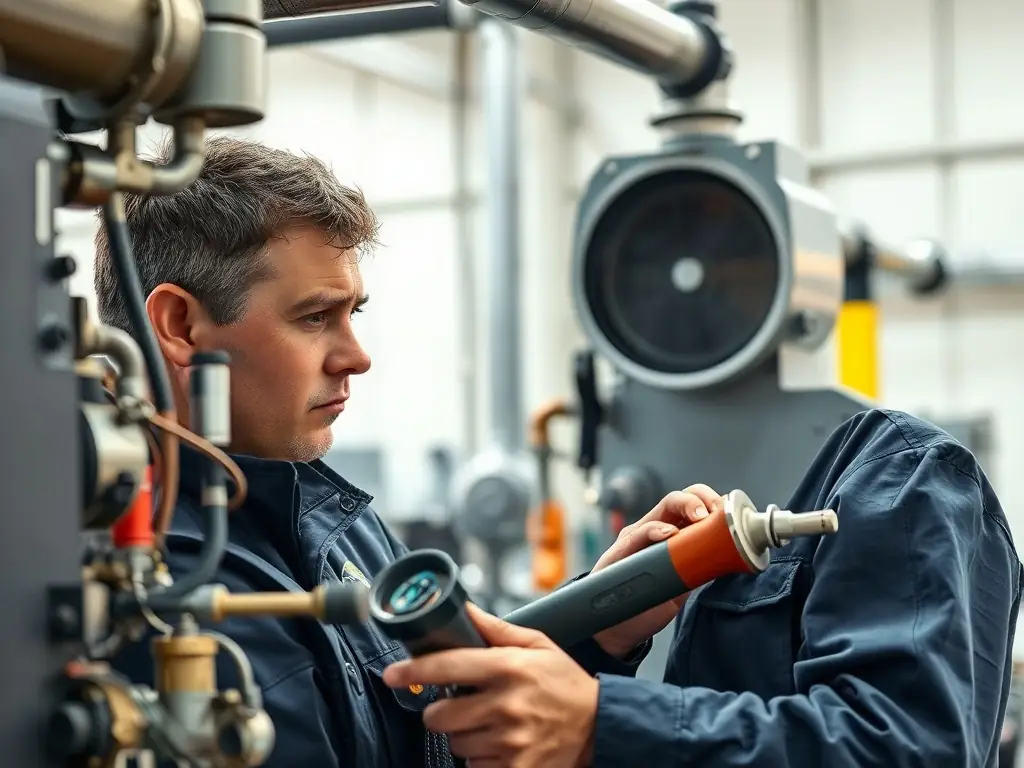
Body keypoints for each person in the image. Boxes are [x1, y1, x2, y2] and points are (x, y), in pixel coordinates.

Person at [95, 135, 705, 768]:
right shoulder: (126, 574)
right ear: (179, 326)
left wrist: (602, 613)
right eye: (314, 317)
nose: (356, 356)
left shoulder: (333, 521)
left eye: (352, 312)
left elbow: (455, 715)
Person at [383, 408, 1024, 767]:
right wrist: (600, 631)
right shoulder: (349, 530)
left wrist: (603, 724)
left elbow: (907, 753)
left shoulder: (898, 470)